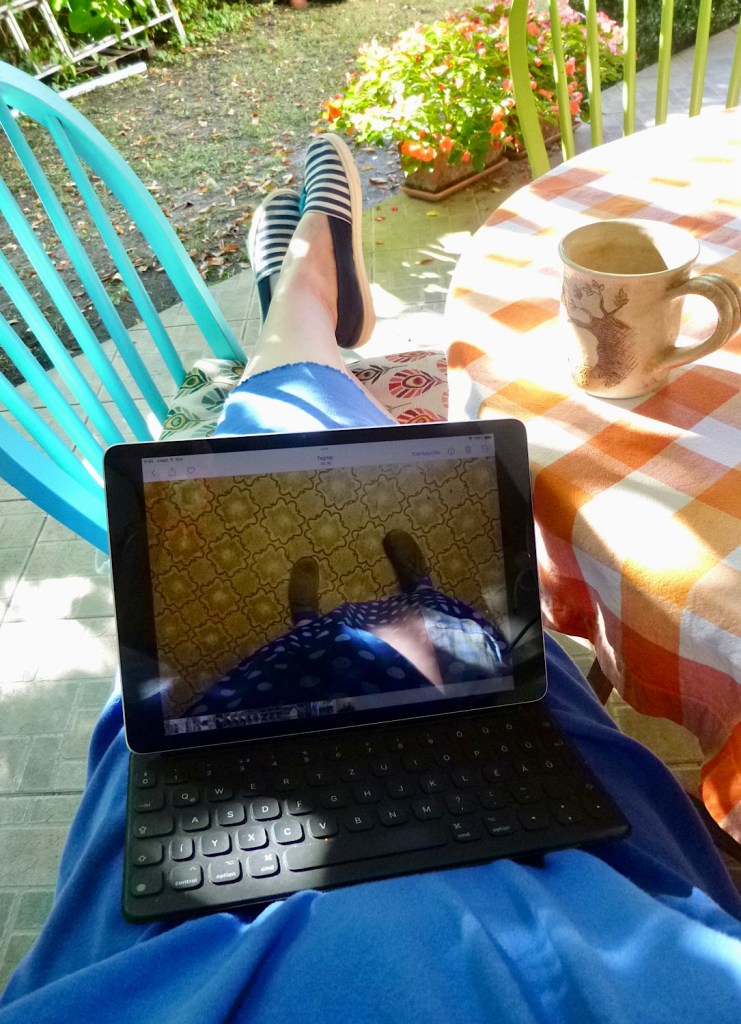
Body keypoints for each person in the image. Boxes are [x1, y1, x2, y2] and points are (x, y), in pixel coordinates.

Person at [1, 134, 740, 1024]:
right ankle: (385, 527)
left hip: (201, 965)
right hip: (601, 928)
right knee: (500, 659)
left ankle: (304, 303)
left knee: (279, 448)